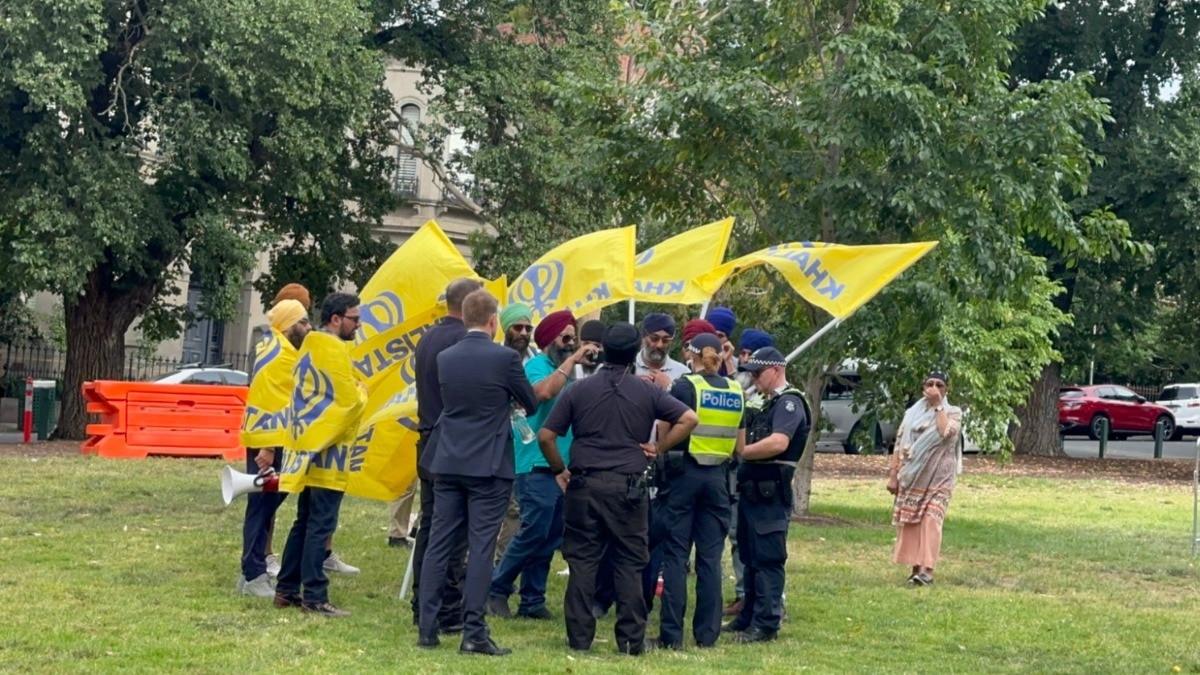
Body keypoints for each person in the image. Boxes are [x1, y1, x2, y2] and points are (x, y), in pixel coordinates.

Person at [537, 322, 699, 656]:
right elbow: (689, 420)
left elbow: (546, 436)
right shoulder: (647, 390)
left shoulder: (579, 390)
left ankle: (579, 639)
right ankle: (630, 640)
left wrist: (559, 470)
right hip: (629, 487)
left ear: (603, 351)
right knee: (630, 562)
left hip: (584, 483)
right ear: (634, 353)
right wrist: (660, 447)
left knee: (583, 562)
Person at [417, 289, 538, 656]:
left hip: (449, 457)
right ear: (492, 321)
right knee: (481, 546)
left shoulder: (446, 357)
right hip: (488, 461)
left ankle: (427, 627)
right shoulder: (504, 358)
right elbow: (530, 401)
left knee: (439, 541)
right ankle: (475, 631)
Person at [489, 310, 598, 620]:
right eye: (565, 338)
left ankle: (532, 600)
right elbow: (543, 393)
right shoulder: (537, 365)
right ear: (549, 340)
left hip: (561, 464)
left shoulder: (571, 372)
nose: (570, 344)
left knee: (550, 535)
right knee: (534, 529)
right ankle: (497, 588)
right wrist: (572, 360)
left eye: (573, 339)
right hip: (535, 462)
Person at [273, 292, 365, 617]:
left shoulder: (308, 346)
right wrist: (363, 393)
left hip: (307, 446)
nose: (358, 324)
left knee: (304, 522)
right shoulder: (334, 349)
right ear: (336, 319)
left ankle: (285, 588)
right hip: (330, 452)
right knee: (320, 526)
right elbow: (350, 402)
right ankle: (315, 596)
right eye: (354, 318)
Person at [654, 332, 745, 649]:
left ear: (691, 355)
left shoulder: (685, 386)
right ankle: (707, 635)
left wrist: (659, 449)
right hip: (719, 479)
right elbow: (741, 446)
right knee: (710, 558)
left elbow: (667, 429)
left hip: (684, 474)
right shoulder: (736, 390)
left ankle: (671, 636)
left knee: (676, 555)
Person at [411, 277, 484, 630]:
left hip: (427, 438)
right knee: (454, 530)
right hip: (454, 444)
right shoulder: (462, 341)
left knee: (432, 525)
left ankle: (422, 602)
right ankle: (447, 607)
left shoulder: (428, 337)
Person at [723, 346, 808, 643]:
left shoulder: (789, 403)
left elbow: (778, 443)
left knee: (768, 559)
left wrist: (743, 452)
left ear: (775, 370)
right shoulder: (764, 402)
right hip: (751, 493)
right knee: (749, 557)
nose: (755, 379)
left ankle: (767, 623)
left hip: (771, 494)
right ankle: (748, 616)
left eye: (758, 373)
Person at [236, 299, 310, 598]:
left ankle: (251, 572)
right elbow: (266, 400)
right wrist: (267, 448)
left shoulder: (278, 348)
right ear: (287, 325)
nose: (308, 327)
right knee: (261, 507)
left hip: (276, 438)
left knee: (265, 507)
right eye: (302, 322)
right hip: (269, 441)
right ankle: (252, 574)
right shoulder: (278, 355)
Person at [887, 371, 962, 586]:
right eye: (930, 384)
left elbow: (945, 432)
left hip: (940, 477)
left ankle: (927, 570)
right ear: (923, 387)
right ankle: (915, 569)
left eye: (940, 385)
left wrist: (939, 406)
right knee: (913, 521)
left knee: (931, 519)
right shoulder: (911, 414)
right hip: (913, 475)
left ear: (946, 389)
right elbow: (900, 443)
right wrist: (893, 475)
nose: (935, 388)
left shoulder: (954, 412)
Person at [725, 328, 774, 617]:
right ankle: (745, 596)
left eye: (750, 356)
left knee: (766, 544)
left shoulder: (777, 399)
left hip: (764, 481)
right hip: (736, 475)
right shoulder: (739, 388)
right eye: (742, 354)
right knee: (738, 537)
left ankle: (771, 601)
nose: (745, 362)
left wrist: (744, 451)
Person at [495, 302, 537, 562]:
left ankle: (502, 561)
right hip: (494, 439)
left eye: (527, 327)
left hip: (524, 444)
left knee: (515, 508)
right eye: (517, 327)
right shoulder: (493, 357)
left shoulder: (537, 362)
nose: (523, 332)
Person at [635, 313, 689, 390]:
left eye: (665, 340)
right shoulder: (627, 368)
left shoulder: (682, 373)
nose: (659, 345)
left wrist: (671, 388)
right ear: (643, 337)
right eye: (654, 339)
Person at [704, 307, 738, 376]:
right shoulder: (696, 357)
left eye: (720, 336)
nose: (715, 339)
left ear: (727, 339)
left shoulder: (735, 364)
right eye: (712, 334)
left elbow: (736, 385)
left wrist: (727, 362)